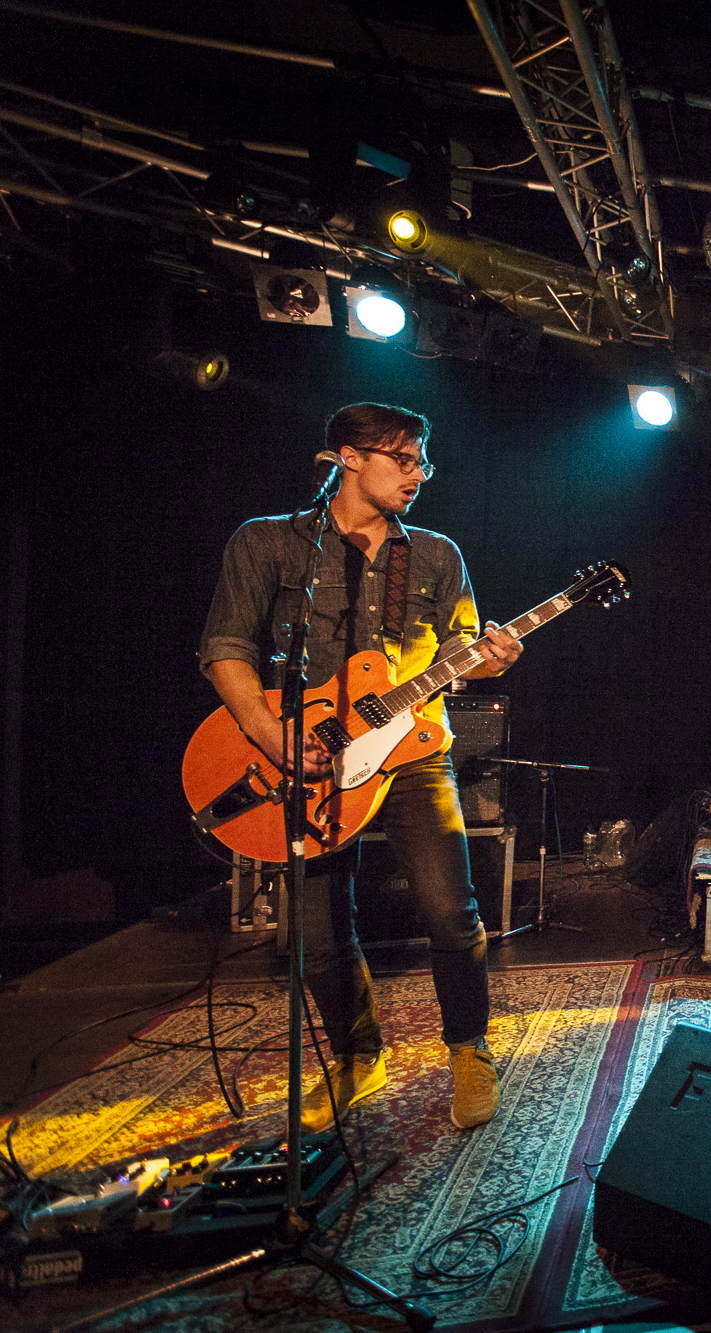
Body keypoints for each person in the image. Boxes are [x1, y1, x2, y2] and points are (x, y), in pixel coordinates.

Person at [200, 403, 523, 1130]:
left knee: (451, 911)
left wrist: (489, 658)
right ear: (348, 456)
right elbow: (225, 648)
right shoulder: (268, 543)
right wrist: (273, 735)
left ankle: (469, 1050)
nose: (418, 474)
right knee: (316, 931)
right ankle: (356, 1057)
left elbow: (459, 649)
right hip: (301, 757)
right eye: (403, 459)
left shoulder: (437, 554)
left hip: (410, 754)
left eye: (423, 461)